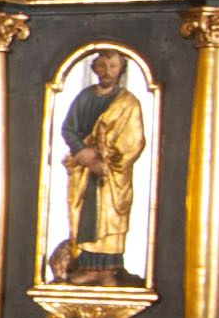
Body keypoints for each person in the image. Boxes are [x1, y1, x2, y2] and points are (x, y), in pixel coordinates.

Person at [49, 47, 149, 283]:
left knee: (110, 218)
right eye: (102, 66)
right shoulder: (85, 97)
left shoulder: (128, 103)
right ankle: (87, 267)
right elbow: (69, 129)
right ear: (94, 68)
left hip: (113, 172)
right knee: (86, 217)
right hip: (84, 168)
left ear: (121, 69)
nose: (107, 71)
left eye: (113, 66)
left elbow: (135, 140)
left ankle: (109, 270)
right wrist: (84, 153)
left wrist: (110, 160)